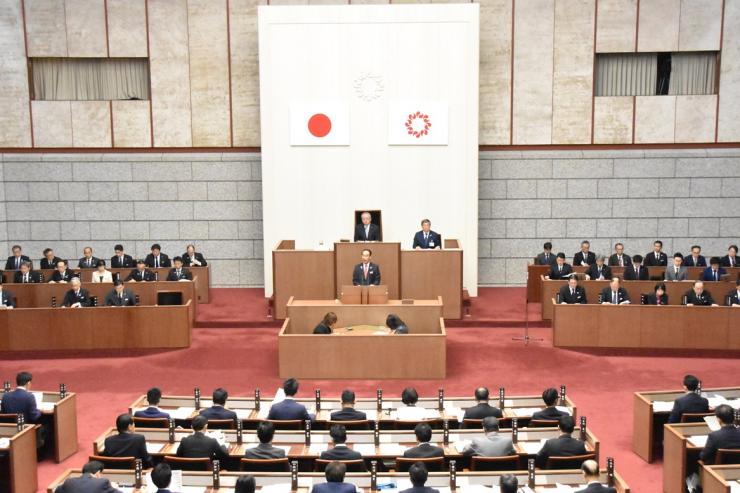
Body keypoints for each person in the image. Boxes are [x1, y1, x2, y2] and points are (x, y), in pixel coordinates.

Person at [55, 460, 122, 493]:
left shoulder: (69, 481)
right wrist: (113, 487)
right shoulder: (102, 482)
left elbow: (57, 491)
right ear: (98, 473)